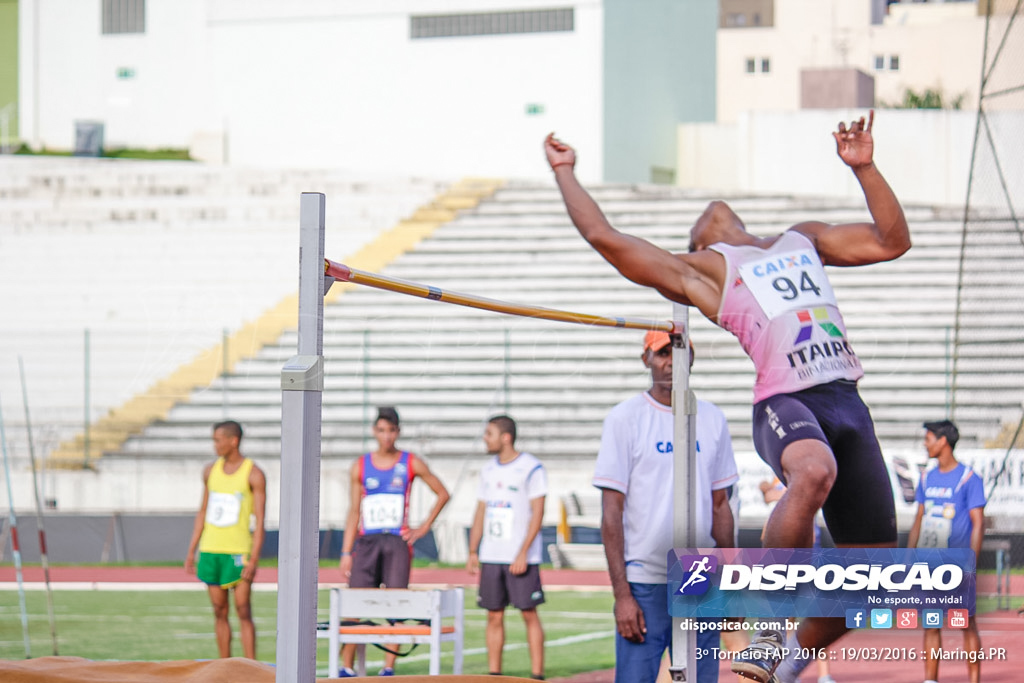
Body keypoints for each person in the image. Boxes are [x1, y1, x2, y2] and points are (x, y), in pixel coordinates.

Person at [545, 109, 910, 683]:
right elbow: (605, 238)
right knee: (811, 474)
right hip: (788, 403)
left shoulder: (802, 240)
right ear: (696, 247)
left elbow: (892, 241)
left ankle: (788, 666)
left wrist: (864, 168)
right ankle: (768, 624)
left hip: (848, 403)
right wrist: (566, 172)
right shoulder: (706, 272)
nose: (709, 214)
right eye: (695, 232)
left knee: (875, 572)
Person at [594, 332, 738, 683]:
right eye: (662, 353)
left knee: (700, 679)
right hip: (645, 581)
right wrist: (622, 595)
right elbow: (611, 513)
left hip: (699, 577)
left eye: (680, 351)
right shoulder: (624, 418)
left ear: (693, 358)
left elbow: (721, 507)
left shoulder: (712, 418)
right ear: (646, 359)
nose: (671, 361)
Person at [338, 407, 450, 677]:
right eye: (381, 430)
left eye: (391, 431)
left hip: (397, 542)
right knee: (355, 602)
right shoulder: (361, 465)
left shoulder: (410, 462)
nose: (386, 436)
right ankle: (346, 666)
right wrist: (346, 551)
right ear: (374, 432)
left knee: (396, 601)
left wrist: (423, 528)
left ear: (397, 432)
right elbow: (354, 510)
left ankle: (388, 667)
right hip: (368, 542)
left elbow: (443, 493)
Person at [467, 415, 547, 680]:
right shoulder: (488, 470)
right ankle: (494, 674)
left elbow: (537, 513)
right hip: (492, 556)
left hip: (520, 557)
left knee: (528, 614)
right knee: (493, 616)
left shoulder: (531, 467)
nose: (484, 439)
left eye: (489, 434)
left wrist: (523, 551)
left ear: (506, 437)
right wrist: (473, 550)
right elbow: (481, 511)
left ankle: (537, 675)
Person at [907, 420, 985, 683]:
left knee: (966, 623)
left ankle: (974, 679)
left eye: (928, 438)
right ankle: (931, 680)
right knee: (930, 623)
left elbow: (978, 523)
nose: (925, 444)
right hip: (930, 564)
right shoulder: (926, 477)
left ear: (943, 442)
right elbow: (919, 518)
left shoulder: (969, 478)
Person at [185, 420, 267, 659]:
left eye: (218, 440)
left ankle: (251, 667)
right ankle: (225, 664)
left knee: (243, 609)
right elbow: (203, 511)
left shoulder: (253, 473)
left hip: (238, 550)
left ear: (233, 441)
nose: (215, 445)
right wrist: (192, 549)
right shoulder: (210, 471)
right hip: (211, 549)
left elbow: (261, 520)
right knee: (219, 610)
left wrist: (254, 558)